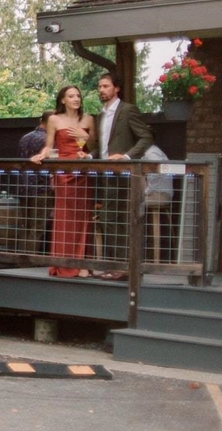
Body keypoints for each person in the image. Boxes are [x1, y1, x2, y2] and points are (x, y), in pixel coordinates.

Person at [91, 73, 154, 280]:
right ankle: (115, 266)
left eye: (106, 86)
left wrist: (126, 156)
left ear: (116, 88)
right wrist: (89, 154)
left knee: (117, 219)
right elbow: (102, 147)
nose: (102, 90)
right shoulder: (100, 115)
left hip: (123, 173)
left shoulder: (127, 110)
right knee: (108, 219)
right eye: (99, 86)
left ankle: (122, 267)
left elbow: (146, 137)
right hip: (104, 174)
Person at [30, 86, 94, 278]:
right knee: (65, 218)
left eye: (78, 95)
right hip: (64, 172)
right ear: (63, 100)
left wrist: (86, 138)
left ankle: (82, 263)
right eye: (71, 96)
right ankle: (63, 263)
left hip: (83, 171)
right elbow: (49, 146)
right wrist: (40, 155)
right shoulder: (54, 119)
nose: (76, 99)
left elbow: (95, 148)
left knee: (84, 216)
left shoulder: (88, 119)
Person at [16, 111, 56, 254]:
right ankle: (30, 261)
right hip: (41, 188)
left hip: (23, 187)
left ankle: (21, 260)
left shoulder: (25, 138)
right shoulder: (48, 141)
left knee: (25, 226)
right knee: (37, 228)